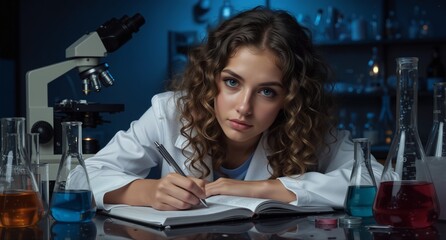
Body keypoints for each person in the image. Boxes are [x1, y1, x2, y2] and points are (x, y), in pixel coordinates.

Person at [74, 6, 383, 211]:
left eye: (266, 91)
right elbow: (80, 177)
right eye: (232, 83)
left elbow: (384, 182)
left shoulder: (305, 127)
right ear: (211, 78)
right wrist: (147, 192)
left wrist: (268, 188)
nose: (244, 108)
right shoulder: (170, 112)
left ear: (291, 97)